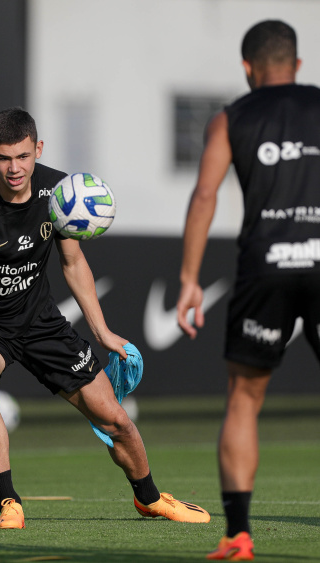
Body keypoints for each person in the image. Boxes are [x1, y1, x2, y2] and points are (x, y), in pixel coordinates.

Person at [0, 106, 210, 528]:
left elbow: (73, 263)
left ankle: (150, 498)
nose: (14, 168)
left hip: (40, 321)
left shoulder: (59, 192)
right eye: (5, 158)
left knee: (116, 420)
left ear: (38, 149)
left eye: (23, 157)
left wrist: (101, 331)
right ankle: (10, 502)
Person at [176, 20, 320, 561]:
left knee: (244, 399)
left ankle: (238, 536)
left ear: (247, 67)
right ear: (298, 65)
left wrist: (189, 279)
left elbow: (205, 194)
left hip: (266, 267)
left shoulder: (231, 117)